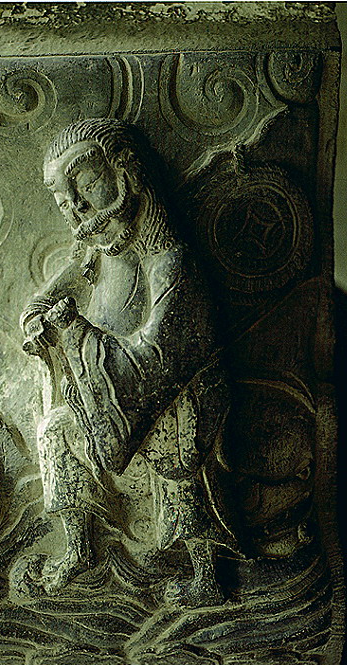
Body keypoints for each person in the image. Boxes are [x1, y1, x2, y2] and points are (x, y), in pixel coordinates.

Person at [21, 118, 235, 603]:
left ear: (126, 174)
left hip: (172, 405)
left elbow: (157, 363)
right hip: (119, 404)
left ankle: (206, 572)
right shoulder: (98, 255)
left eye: (86, 185)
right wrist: (37, 319)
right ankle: (80, 548)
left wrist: (76, 333)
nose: (78, 208)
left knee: (176, 438)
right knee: (55, 430)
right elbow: (48, 296)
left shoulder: (171, 264)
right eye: (65, 202)